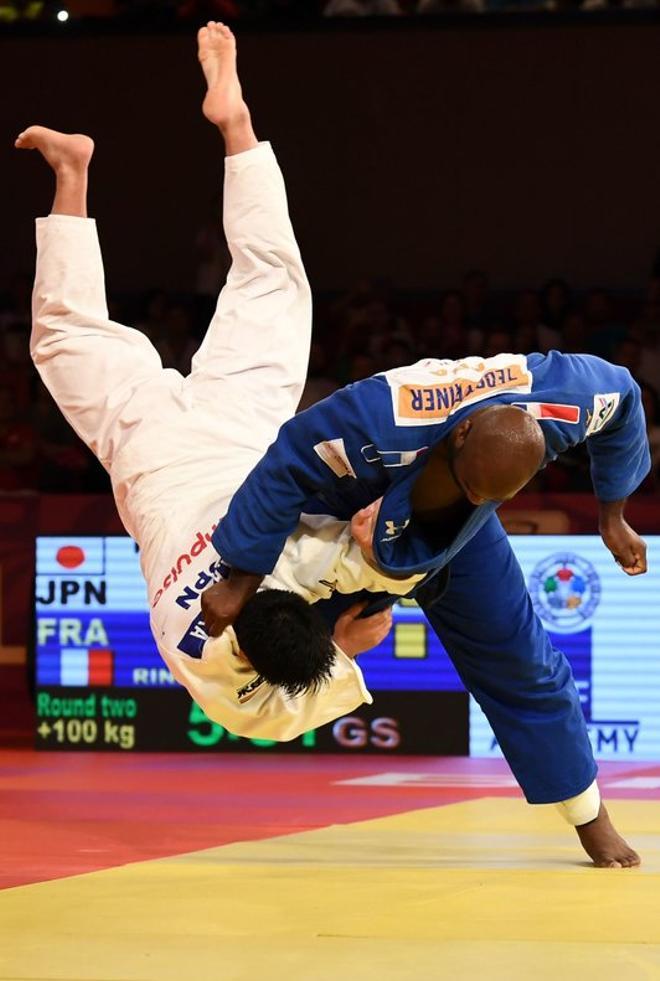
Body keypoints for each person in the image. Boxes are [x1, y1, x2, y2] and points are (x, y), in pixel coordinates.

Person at [18, 22, 403, 740]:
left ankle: (238, 128)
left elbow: (363, 602)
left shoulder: (294, 573)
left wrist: (357, 622)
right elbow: (300, 690)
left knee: (274, 282)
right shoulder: (196, 659)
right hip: (154, 457)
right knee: (65, 336)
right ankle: (72, 171)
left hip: (242, 433)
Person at [204, 348, 650, 868]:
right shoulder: (369, 419)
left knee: (519, 657)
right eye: (472, 485)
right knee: (275, 645)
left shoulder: (564, 401)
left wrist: (611, 515)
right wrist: (240, 576)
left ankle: (589, 816)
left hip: (462, 532)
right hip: (347, 519)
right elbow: (285, 467)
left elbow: (625, 397)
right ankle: (239, 699)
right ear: (461, 436)